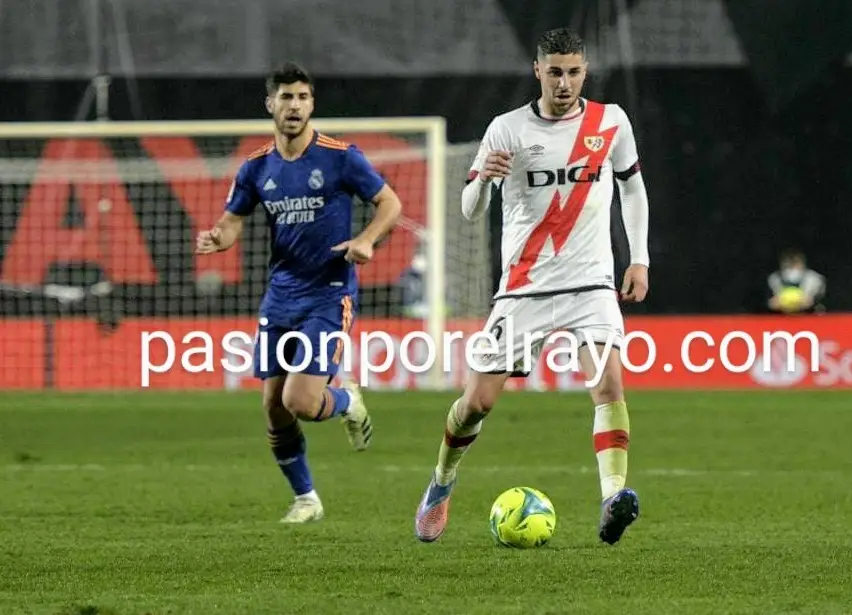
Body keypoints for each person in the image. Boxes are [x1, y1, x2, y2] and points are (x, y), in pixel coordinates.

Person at [413, 27, 650, 545]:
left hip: (591, 283)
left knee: (608, 385)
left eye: (574, 72)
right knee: (477, 402)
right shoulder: (507, 129)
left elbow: (632, 188)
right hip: (524, 288)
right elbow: (469, 209)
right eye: (555, 72)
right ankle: (442, 481)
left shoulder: (610, 121)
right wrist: (483, 179)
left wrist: (639, 259)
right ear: (537, 71)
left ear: (584, 72)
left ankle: (612, 498)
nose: (564, 83)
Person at [195, 62, 403, 523]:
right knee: (274, 408)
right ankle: (306, 498)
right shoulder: (256, 167)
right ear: (270, 104)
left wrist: (367, 240)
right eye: (286, 97)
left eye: (303, 97)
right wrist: (217, 238)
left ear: (312, 104)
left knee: (301, 402)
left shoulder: (340, 157)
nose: (294, 106)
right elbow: (231, 222)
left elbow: (390, 203)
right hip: (281, 296)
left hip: (329, 294)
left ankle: (346, 399)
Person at [767, 249, 826, 314]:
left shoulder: (814, 278)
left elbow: (817, 302)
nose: (792, 266)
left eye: (796, 262)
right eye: (789, 263)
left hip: (809, 315)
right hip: (781, 315)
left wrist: (812, 301)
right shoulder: (774, 278)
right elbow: (771, 303)